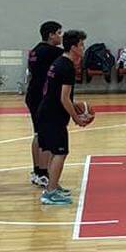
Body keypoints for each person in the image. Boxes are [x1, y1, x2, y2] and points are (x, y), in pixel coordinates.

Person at [36, 30, 90, 205]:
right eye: (81, 44)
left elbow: (57, 93)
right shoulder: (66, 67)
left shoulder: (59, 62)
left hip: (47, 111)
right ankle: (50, 193)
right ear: (73, 47)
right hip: (53, 115)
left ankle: (53, 185)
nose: (83, 48)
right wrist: (76, 118)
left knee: (55, 152)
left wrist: (73, 106)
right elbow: (64, 98)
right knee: (61, 152)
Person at [26, 21, 63, 187]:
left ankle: (37, 171)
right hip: (42, 96)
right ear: (51, 35)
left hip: (33, 94)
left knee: (37, 134)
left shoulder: (35, 50)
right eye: (59, 33)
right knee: (45, 135)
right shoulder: (52, 51)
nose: (61, 36)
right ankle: (43, 173)